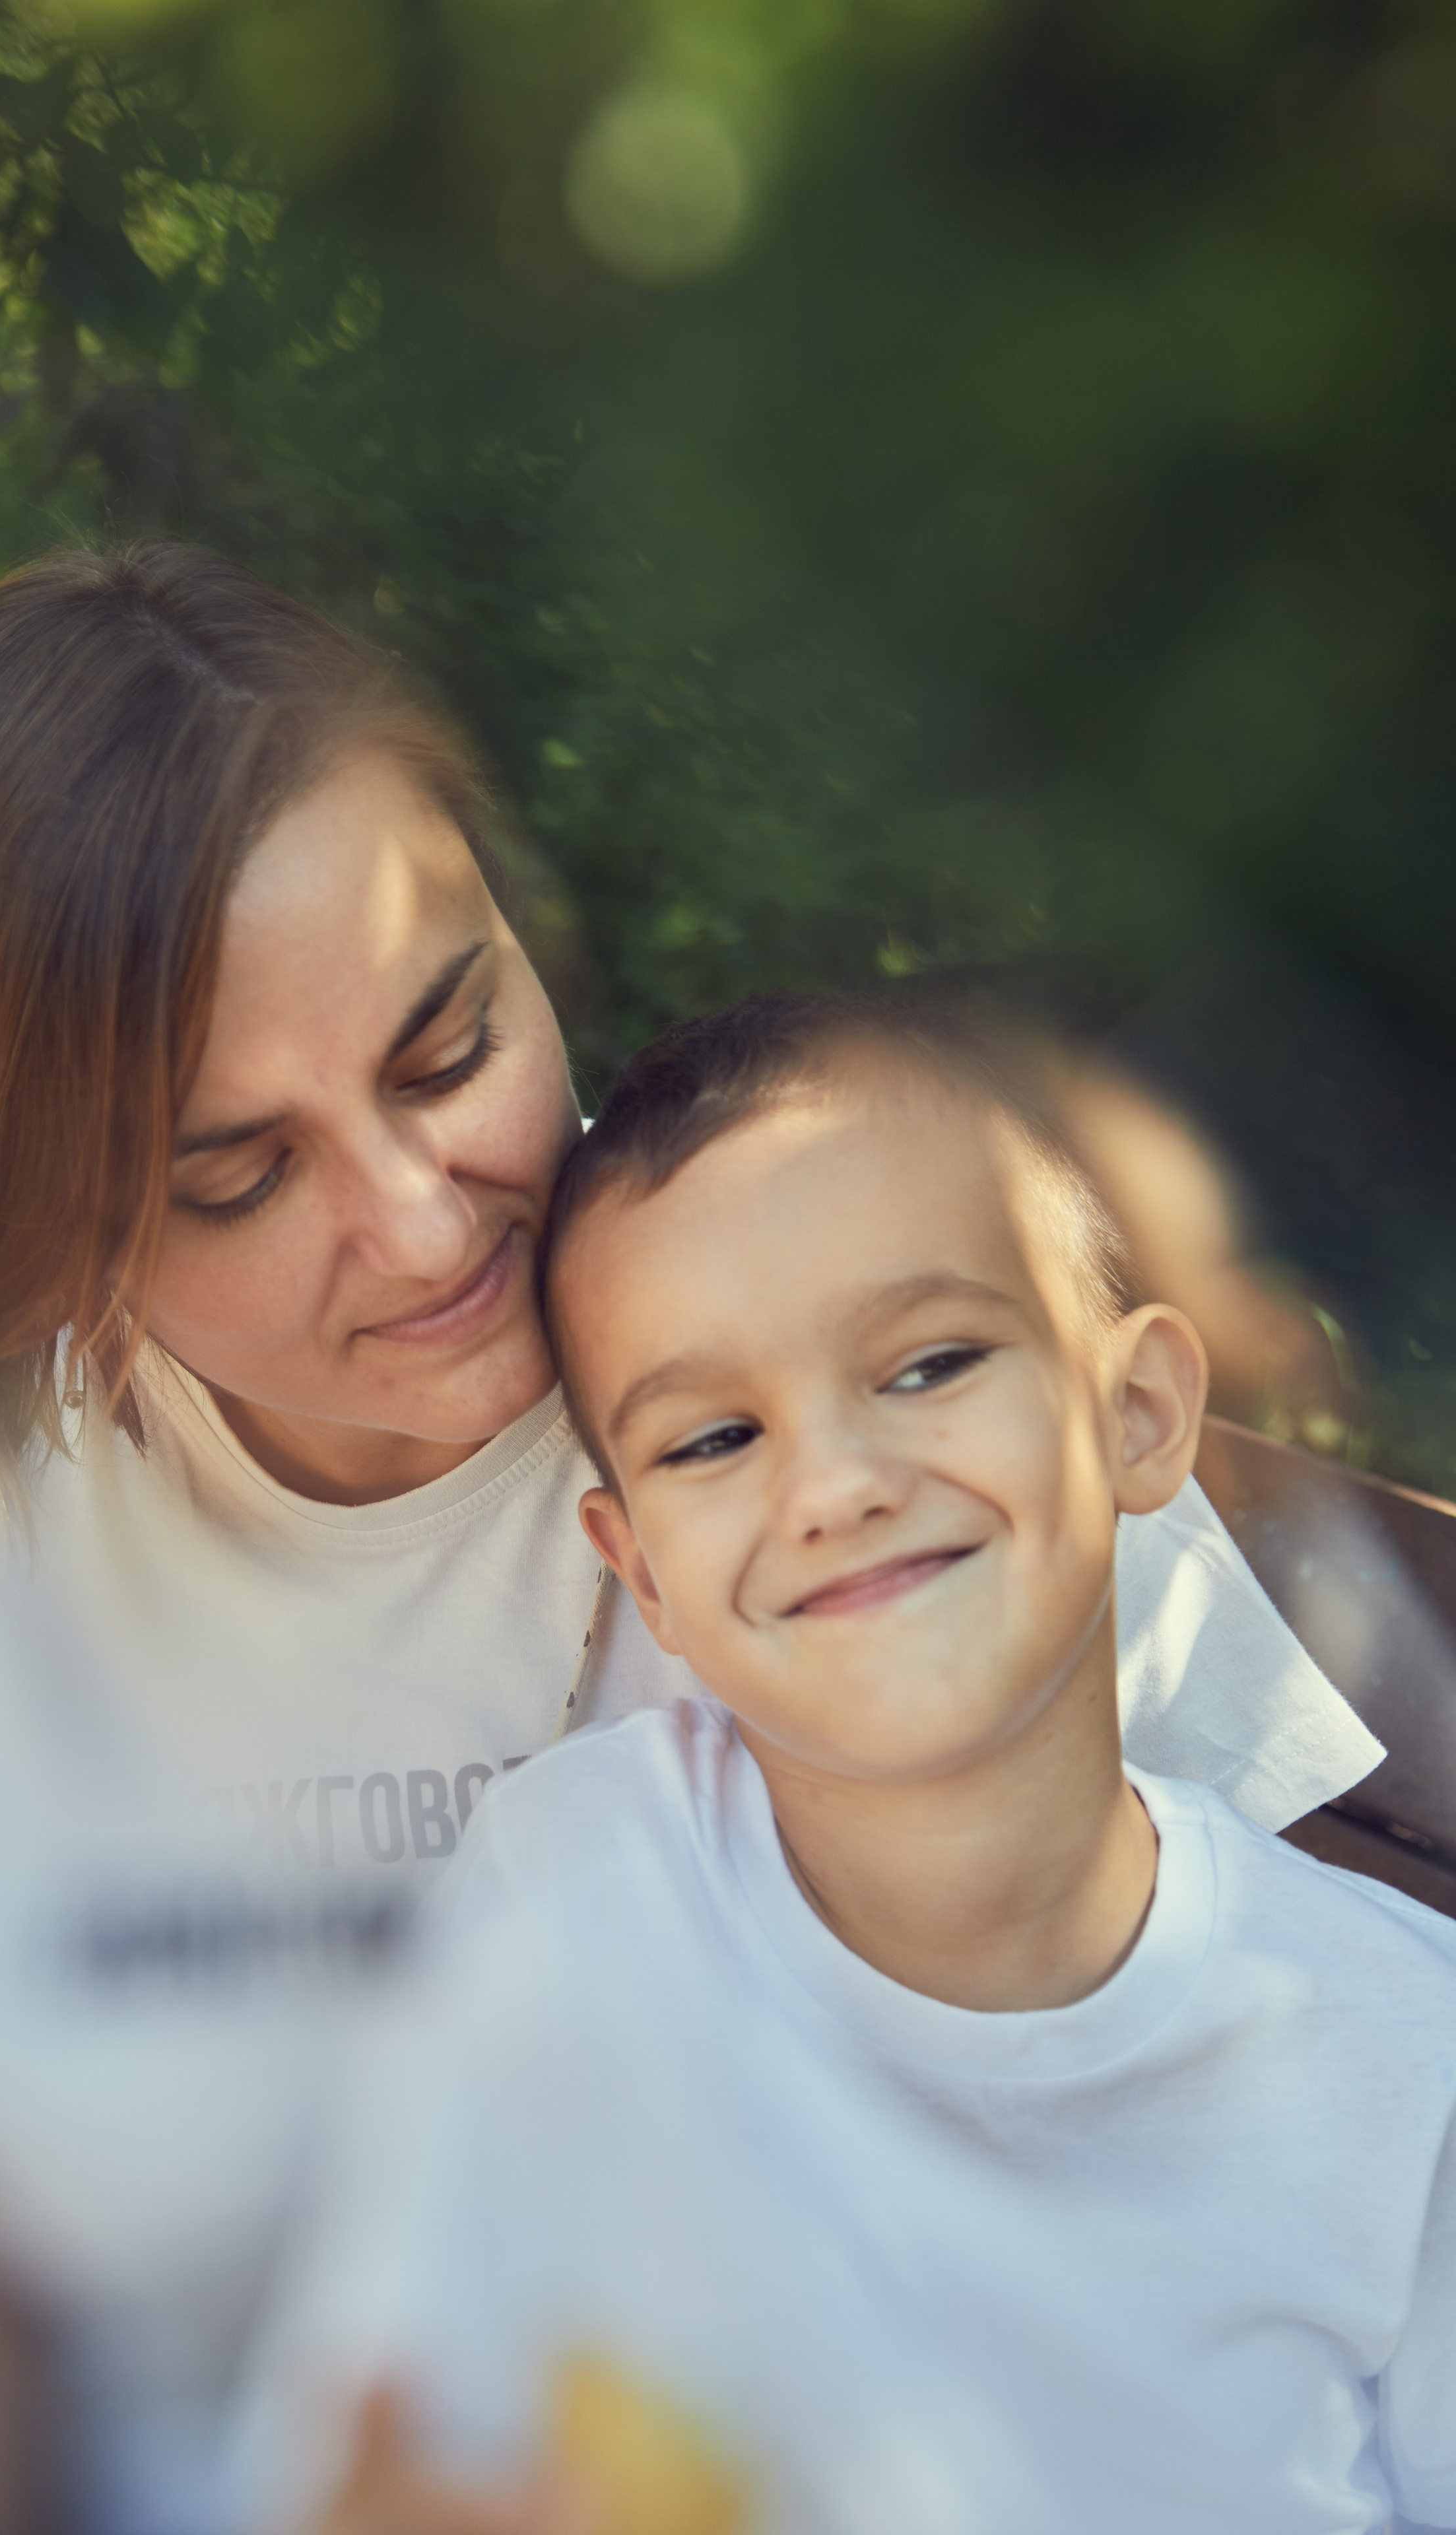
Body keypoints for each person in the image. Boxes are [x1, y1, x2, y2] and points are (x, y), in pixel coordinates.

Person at [0, 547, 1382, 2535]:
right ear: (47, 1232)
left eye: (447, 1052)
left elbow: (1275, 2126)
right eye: (239, 1177)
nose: (433, 1226)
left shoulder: (905, 1404)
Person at [249, 992, 1456, 2535]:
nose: (831, 1484)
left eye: (928, 1362)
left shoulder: (1404, 2058)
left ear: (1136, 1410)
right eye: (710, 1441)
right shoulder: (574, 1886)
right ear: (643, 1579)